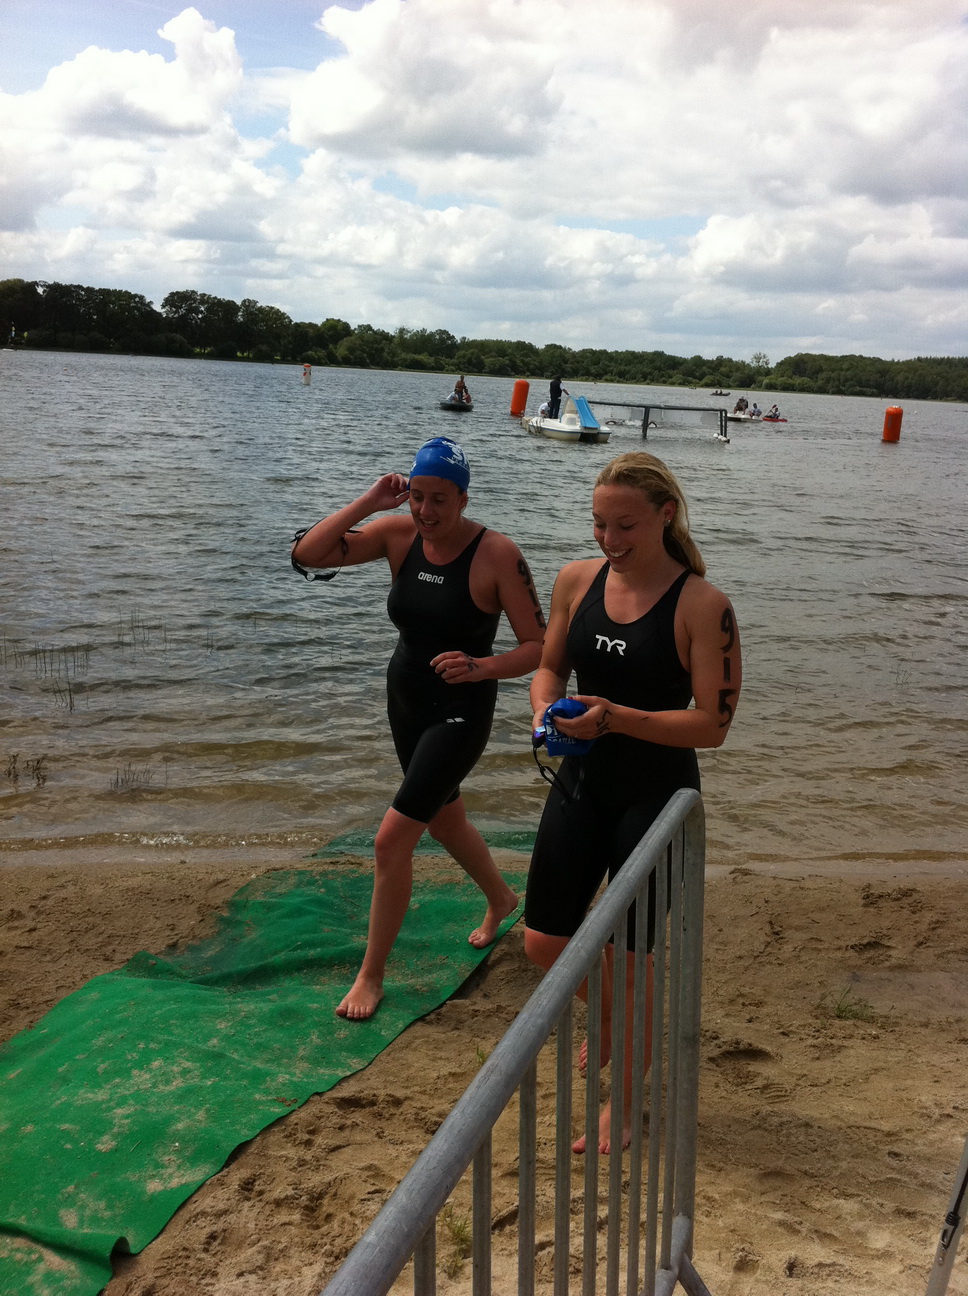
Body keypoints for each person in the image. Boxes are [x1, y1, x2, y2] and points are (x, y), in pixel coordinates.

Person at [523, 451, 741, 1153]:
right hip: (584, 778)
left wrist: (615, 718)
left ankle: (623, 1103)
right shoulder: (576, 579)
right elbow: (549, 666)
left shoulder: (702, 605)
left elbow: (712, 724)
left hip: (658, 792)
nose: (609, 539)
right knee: (542, 941)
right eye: (598, 524)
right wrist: (544, 712)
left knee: (634, 953)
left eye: (625, 525)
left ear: (664, 515)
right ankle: (622, 1016)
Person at [291, 437, 545, 1021]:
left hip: (461, 710)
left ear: (463, 498)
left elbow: (538, 645)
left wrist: (482, 666)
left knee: (391, 840)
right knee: (444, 818)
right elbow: (310, 554)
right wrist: (370, 502)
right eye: (417, 497)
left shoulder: (497, 554)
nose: (426, 511)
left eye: (440, 500)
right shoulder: (398, 535)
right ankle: (502, 897)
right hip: (405, 698)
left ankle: (371, 976)